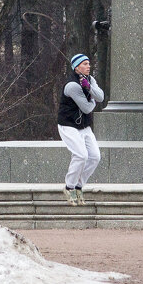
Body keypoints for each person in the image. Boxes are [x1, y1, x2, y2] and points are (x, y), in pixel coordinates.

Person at [58, 53, 105, 206]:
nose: (88, 66)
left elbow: (101, 97)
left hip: (84, 126)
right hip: (68, 125)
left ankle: (79, 186)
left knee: (95, 157)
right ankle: (69, 187)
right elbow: (87, 108)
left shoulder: (90, 80)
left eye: (89, 63)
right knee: (81, 155)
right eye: (85, 64)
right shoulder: (72, 86)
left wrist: (89, 88)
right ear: (76, 67)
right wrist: (93, 100)